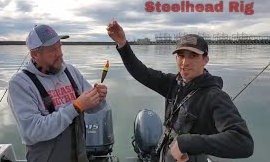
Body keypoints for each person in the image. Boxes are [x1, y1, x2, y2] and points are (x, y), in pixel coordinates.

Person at [107, 21, 254, 162]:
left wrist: (188, 142)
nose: (185, 62)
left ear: (205, 59)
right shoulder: (173, 83)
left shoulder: (215, 97)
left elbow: (244, 143)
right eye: (181, 55)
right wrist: (123, 44)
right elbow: (141, 73)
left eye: (193, 55)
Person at [7, 24, 107, 162]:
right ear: (35, 54)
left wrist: (99, 97)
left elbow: (93, 108)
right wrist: (76, 106)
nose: (59, 53)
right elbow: (32, 131)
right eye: (52, 49)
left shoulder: (71, 71)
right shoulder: (20, 84)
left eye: (59, 46)